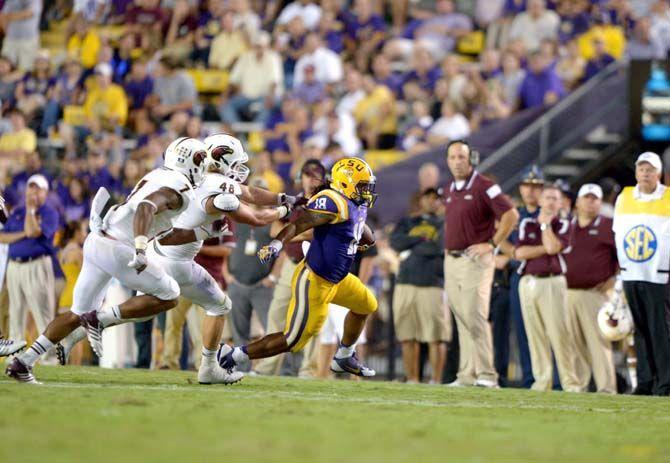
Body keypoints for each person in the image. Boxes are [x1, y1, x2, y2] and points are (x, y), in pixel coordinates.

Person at [6, 137, 207, 383]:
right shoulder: (180, 189)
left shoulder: (159, 174)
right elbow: (145, 207)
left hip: (98, 238)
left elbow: (152, 216)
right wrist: (141, 247)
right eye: (200, 160)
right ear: (190, 162)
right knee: (171, 294)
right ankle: (100, 320)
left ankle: (22, 362)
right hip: (119, 248)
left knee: (76, 314)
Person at [218, 157, 379, 377]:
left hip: (338, 279)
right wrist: (276, 244)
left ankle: (344, 356)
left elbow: (359, 225)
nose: (367, 191)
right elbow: (299, 224)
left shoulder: (354, 203)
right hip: (315, 280)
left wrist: (366, 238)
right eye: (362, 186)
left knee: (366, 305)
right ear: (345, 183)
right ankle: (233, 354)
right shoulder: (333, 201)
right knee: (293, 339)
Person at [442, 141, 518, 388]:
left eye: (461, 157)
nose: (457, 161)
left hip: (475, 259)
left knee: (474, 314)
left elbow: (511, 215)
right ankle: (467, 375)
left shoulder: (485, 185)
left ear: (470, 159)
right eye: (452, 157)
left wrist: (492, 243)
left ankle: (487, 374)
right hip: (451, 259)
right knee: (461, 317)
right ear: (448, 160)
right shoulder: (449, 188)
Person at [253, 159, 327, 377]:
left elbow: (317, 232)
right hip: (290, 264)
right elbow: (274, 228)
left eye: (316, 175)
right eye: (307, 174)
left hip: (314, 266)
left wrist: (291, 232)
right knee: (276, 314)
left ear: (323, 179)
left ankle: (308, 370)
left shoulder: (327, 201)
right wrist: (295, 231)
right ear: (301, 178)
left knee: (313, 319)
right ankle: (267, 368)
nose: (311, 179)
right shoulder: (295, 202)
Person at [503, 184, 579, 392]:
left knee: (559, 334)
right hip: (528, 281)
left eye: (555, 198)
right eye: (548, 198)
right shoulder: (527, 222)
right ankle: (542, 380)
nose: (551, 202)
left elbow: (554, 247)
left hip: (553, 281)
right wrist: (545, 247)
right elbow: (519, 253)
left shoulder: (564, 223)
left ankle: (569, 382)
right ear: (541, 201)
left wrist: (545, 228)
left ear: (560, 203)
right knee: (535, 335)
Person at [613, 152, 670, 396]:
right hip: (631, 272)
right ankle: (644, 382)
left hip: (659, 275)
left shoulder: (668, 197)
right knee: (640, 330)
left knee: (660, 330)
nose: (645, 174)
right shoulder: (624, 197)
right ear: (636, 172)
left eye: (650, 170)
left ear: (658, 173)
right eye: (641, 169)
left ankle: (665, 383)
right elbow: (617, 233)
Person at [390, 188, 448, 384]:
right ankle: (412, 378)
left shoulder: (444, 223)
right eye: (429, 197)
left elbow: (437, 247)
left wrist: (411, 246)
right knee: (407, 335)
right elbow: (395, 242)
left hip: (432, 284)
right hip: (405, 283)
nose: (432, 201)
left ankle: (436, 380)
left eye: (436, 198)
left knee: (435, 337)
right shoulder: (407, 221)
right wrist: (420, 239)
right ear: (421, 199)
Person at [565, 184, 618, 394]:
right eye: (586, 198)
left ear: (600, 202)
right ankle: (579, 387)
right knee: (573, 343)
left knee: (599, 343)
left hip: (596, 294)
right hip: (567, 293)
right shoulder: (567, 226)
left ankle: (607, 388)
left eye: (594, 199)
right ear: (577, 202)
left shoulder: (608, 225)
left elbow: (622, 254)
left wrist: (614, 279)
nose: (590, 202)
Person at [0, 174, 58, 344]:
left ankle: (50, 358)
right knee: (15, 315)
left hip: (37, 265)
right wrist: (24, 234)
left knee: (43, 315)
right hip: (14, 267)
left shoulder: (49, 213)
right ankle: (15, 358)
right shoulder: (18, 211)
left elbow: (33, 231)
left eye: (37, 188)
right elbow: (2, 237)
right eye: (30, 187)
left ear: (45, 193)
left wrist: (31, 210)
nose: (33, 192)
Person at [507, 165, 544, 388]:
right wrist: (511, 254)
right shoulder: (514, 215)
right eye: (527, 185)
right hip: (518, 276)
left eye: (535, 186)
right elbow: (500, 238)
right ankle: (530, 377)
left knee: (545, 330)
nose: (530, 190)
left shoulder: (548, 213)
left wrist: (519, 254)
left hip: (542, 276)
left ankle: (550, 378)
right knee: (522, 330)